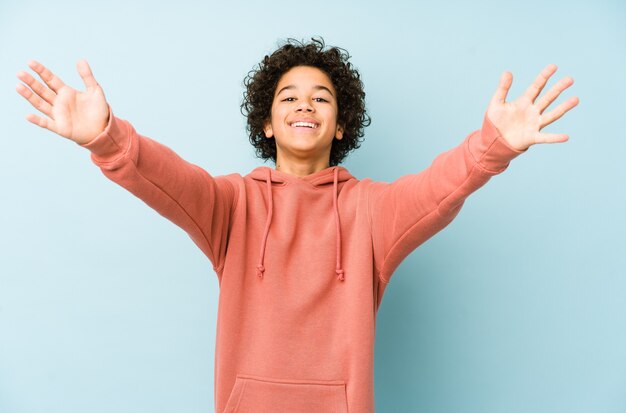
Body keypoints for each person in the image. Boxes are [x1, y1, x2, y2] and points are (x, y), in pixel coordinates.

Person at [16, 37, 578, 413]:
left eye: (321, 97)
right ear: (267, 120)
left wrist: (493, 146)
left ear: (339, 125)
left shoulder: (372, 212)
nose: (304, 105)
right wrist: (105, 137)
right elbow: (165, 177)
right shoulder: (231, 205)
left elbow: (440, 187)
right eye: (288, 96)